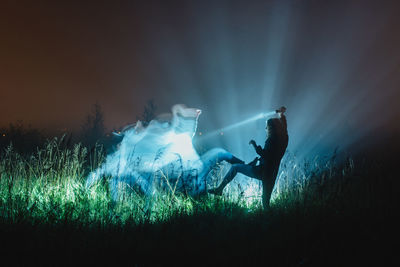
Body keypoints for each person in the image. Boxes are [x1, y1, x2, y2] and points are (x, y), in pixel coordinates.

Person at [208, 107, 289, 208]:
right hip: (272, 173)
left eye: (267, 127)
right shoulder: (284, 139)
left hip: (262, 171)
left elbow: (266, 154)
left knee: (235, 167)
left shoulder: (271, 140)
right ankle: (270, 219)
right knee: (266, 201)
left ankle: (219, 189)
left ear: (271, 128)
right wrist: (281, 115)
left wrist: (255, 145)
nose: (265, 129)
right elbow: (284, 129)